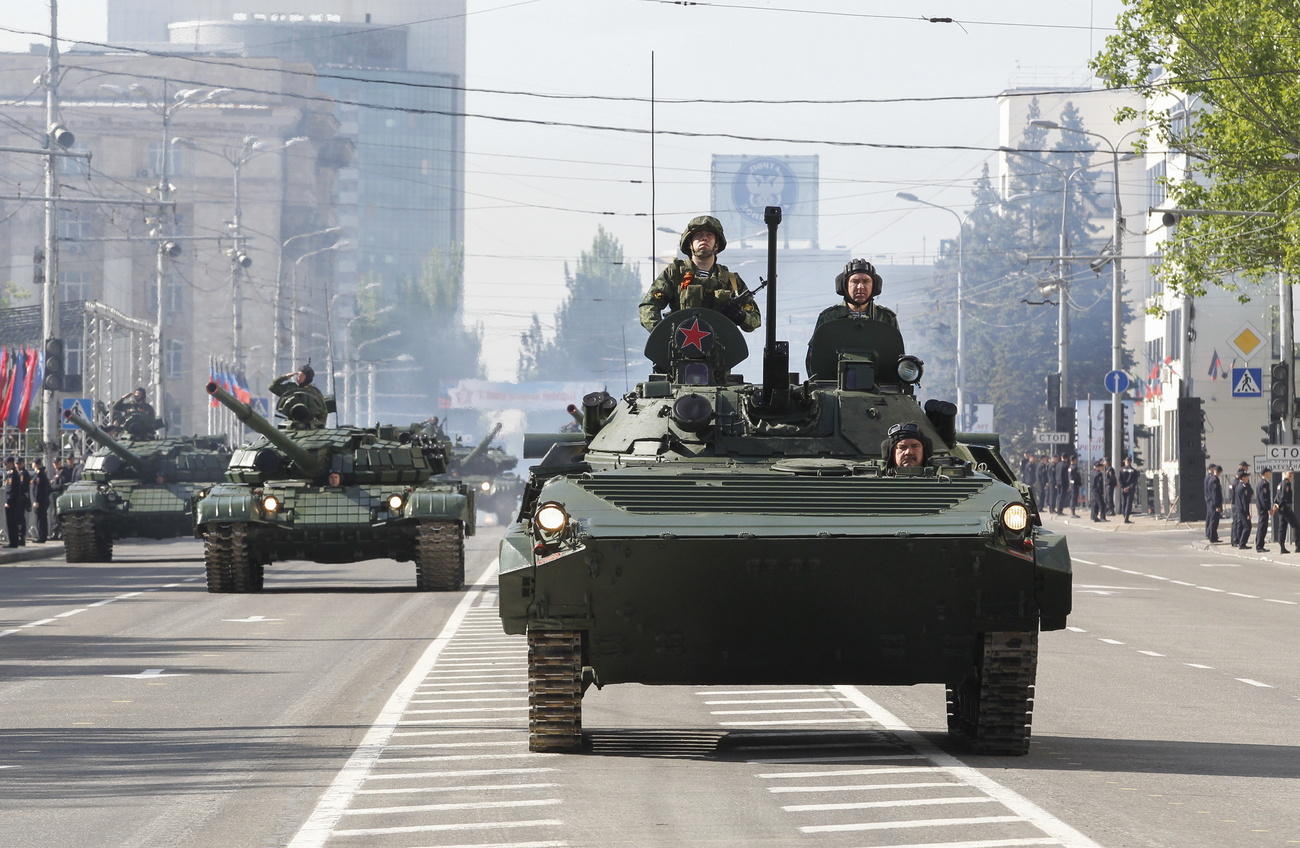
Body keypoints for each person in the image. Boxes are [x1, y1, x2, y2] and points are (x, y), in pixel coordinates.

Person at [639, 215, 761, 333]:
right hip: (681, 347)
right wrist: (663, 334)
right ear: (689, 243)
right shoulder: (674, 273)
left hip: (720, 349)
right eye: (699, 235)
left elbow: (755, 320)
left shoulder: (731, 280)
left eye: (709, 235)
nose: (704, 238)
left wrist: (740, 315)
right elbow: (648, 306)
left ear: (717, 244)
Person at [814, 259, 898, 330]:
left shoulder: (886, 318)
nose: (860, 287)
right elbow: (817, 348)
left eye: (866, 281)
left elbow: (895, 348)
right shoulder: (829, 318)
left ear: (874, 286)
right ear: (844, 285)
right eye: (855, 281)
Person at [270, 363, 329, 429]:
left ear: (308, 377)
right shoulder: (290, 388)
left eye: (301, 376)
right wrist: (285, 377)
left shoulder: (314, 392)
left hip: (310, 425)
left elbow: (323, 410)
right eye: (298, 375)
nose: (298, 378)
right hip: (291, 424)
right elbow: (272, 387)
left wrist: (320, 425)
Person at [5, 456, 29, 547]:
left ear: (11, 463)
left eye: (6, 463)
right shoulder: (12, 473)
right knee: (12, 523)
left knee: (12, 523)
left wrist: (8, 501)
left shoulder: (13, 474)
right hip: (14, 502)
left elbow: (11, 490)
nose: (5, 465)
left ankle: (13, 542)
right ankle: (13, 542)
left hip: (12, 503)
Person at [1272, 470, 1296, 554]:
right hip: (1285, 507)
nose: (1291, 475)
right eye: (1289, 474)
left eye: (1292, 474)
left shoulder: (1280, 484)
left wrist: (1275, 504)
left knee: (1282, 527)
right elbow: (1283, 496)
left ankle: (1282, 547)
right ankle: (1298, 546)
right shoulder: (1287, 483)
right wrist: (1279, 505)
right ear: (1285, 474)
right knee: (1296, 525)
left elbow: (1277, 496)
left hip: (1281, 508)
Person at [29, 459, 51, 544]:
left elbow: (38, 490)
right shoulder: (38, 474)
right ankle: (42, 536)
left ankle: (42, 537)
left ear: (37, 464)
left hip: (40, 502)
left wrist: (36, 500)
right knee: (40, 519)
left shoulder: (40, 475)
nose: (32, 464)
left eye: (33, 463)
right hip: (41, 501)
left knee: (41, 520)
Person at [1231, 469, 1253, 548]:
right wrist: (1247, 513)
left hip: (1240, 509)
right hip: (1242, 510)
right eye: (1247, 477)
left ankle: (1241, 542)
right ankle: (1242, 543)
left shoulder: (1241, 486)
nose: (1248, 478)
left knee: (1245, 526)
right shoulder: (1242, 487)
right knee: (1247, 526)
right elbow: (1244, 502)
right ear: (1243, 478)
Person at [1255, 469, 1275, 553]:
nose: (1270, 474)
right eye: (1269, 473)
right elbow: (1264, 498)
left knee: (1261, 527)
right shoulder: (1264, 483)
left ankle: (1259, 544)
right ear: (1266, 473)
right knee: (1262, 527)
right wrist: (1268, 508)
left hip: (1261, 508)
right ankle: (1259, 546)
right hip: (1263, 509)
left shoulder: (1260, 482)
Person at [1204, 464, 1223, 542]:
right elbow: (1215, 494)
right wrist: (1217, 505)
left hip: (1211, 503)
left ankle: (1213, 536)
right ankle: (1212, 537)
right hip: (1214, 504)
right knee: (1214, 521)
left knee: (1212, 520)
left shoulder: (1212, 479)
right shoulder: (1214, 480)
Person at [1118, 457, 1140, 523]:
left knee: (1124, 503)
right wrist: (1129, 487)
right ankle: (1126, 518)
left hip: (1123, 489)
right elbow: (1135, 481)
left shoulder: (1121, 470)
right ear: (1130, 462)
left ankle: (1124, 516)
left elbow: (1119, 480)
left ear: (1126, 462)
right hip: (1130, 490)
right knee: (1128, 504)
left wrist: (1123, 487)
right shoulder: (1134, 471)